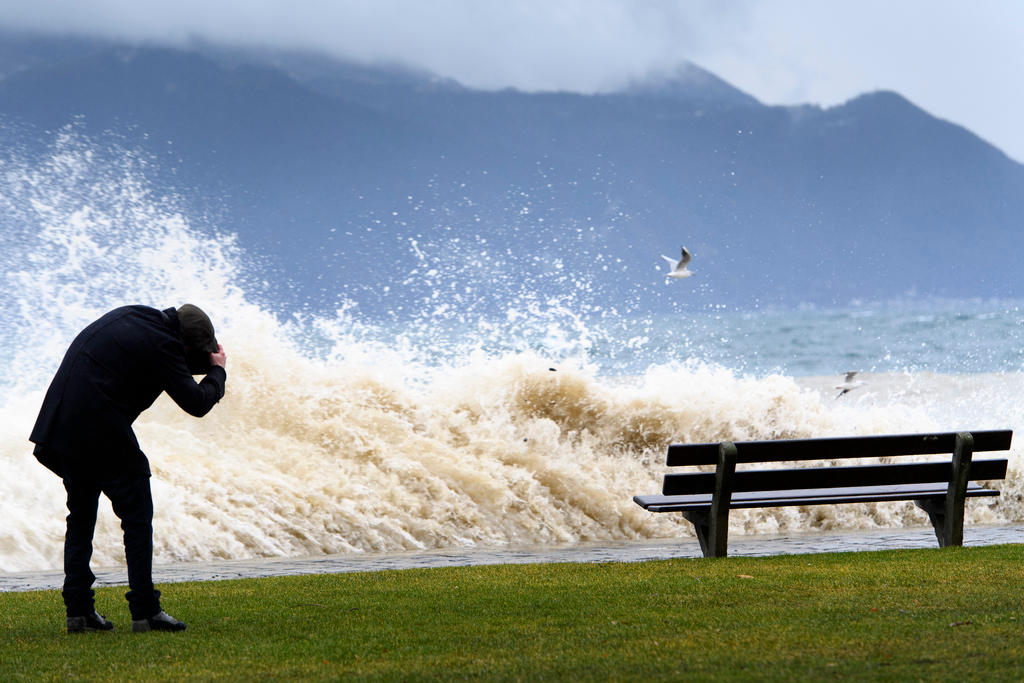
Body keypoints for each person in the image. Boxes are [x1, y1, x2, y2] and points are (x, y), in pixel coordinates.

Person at [30, 304, 227, 633]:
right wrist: (218, 371)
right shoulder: (164, 343)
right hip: (97, 423)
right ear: (187, 343)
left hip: (63, 421)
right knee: (137, 516)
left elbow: (173, 369)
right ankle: (146, 612)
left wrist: (199, 360)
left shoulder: (137, 318)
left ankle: (78, 612)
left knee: (81, 515)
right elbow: (196, 402)